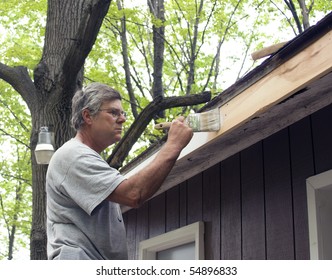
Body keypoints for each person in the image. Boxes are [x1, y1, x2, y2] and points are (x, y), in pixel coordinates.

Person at [46, 82, 193, 260]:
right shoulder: (73, 155)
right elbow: (133, 193)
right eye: (113, 112)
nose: (122, 119)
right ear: (87, 116)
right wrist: (174, 145)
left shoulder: (87, 158)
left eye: (122, 113)